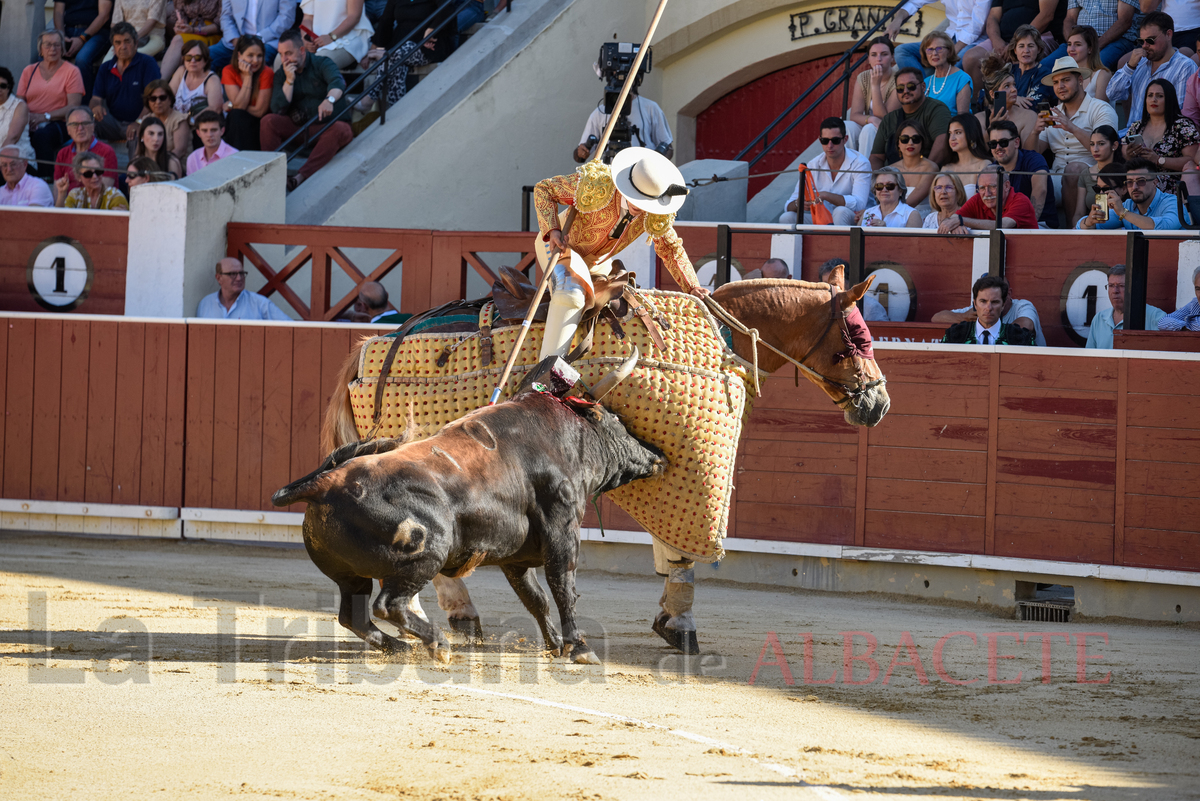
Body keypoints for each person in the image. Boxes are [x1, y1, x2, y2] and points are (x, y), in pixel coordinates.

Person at [533, 146, 703, 363]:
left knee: (625, 300)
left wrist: (692, 286)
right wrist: (553, 229)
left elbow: (670, 249)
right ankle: (545, 374)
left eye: (647, 202)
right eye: (637, 198)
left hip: (598, 263)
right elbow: (544, 189)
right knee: (571, 293)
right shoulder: (596, 183)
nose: (640, 208)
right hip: (562, 248)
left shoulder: (655, 213)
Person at [1026, 55, 1119, 223]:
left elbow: (1108, 149)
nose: (1060, 86)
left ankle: (1072, 229)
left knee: (1074, 169)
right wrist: (1034, 132)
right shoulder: (1053, 114)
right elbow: (1033, 154)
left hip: (1093, 176)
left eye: (1066, 80)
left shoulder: (1100, 109)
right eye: (1056, 82)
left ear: (1080, 80)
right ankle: (1030, 229)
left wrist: (1072, 127)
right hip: (1056, 177)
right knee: (1027, 175)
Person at [261, 29, 353, 191]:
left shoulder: (322, 63)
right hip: (299, 128)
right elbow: (277, 108)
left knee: (341, 129)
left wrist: (328, 100)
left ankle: (300, 177)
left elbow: (338, 83)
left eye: (288, 53)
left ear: (302, 50)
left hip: (326, 127)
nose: (284, 59)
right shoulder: (282, 74)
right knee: (268, 121)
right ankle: (273, 177)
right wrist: (289, 81)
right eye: (281, 54)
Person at [359, 0, 456, 111]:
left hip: (428, 45)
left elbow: (447, 9)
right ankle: (396, 112)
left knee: (391, 57)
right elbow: (386, 21)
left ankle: (370, 97)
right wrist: (377, 47)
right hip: (400, 44)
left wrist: (431, 29)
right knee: (396, 64)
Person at [1107, 11, 1198, 126]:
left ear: (1169, 34)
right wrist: (1129, 67)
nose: (1145, 46)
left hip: (1164, 138)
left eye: (1150, 40)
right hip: (1133, 135)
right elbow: (1113, 95)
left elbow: (1180, 114)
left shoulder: (1185, 67)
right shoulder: (1138, 63)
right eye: (1141, 41)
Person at [18, 31, 86, 178]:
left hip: (59, 121)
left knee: (42, 136)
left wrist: (45, 117)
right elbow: (19, 102)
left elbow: (74, 106)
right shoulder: (29, 71)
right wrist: (26, 117)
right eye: (48, 45)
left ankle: (45, 179)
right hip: (30, 120)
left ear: (62, 48)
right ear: (40, 49)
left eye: (57, 45)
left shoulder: (72, 71)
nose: (53, 49)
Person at [779, 117, 871, 225]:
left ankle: (839, 242)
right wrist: (799, 204)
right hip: (822, 218)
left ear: (845, 139)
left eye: (835, 141)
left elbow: (860, 204)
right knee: (787, 218)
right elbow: (788, 205)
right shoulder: (813, 165)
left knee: (840, 212)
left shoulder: (860, 163)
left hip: (855, 219)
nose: (830, 145)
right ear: (819, 140)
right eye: (825, 141)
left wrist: (826, 195)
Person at [962, 0, 1063, 90]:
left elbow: (1046, 15)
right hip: (1003, 39)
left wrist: (1015, 42)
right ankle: (982, 104)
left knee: (1020, 56)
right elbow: (992, 17)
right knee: (970, 59)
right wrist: (997, 41)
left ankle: (1020, 105)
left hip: (1037, 37)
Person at [1121, 78, 1199, 191]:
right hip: (1137, 186)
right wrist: (1129, 155)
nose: (1154, 99)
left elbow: (1191, 161)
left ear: (1169, 99)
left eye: (1159, 96)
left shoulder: (1182, 125)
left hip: (1170, 188)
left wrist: (1158, 160)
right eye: (1150, 95)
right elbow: (1125, 152)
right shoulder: (1137, 126)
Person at [90, 22, 162, 142]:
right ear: (113, 45)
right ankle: (89, 160)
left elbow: (153, 99)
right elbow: (96, 98)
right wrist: (96, 107)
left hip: (139, 121)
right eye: (118, 42)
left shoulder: (147, 63)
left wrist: (139, 122)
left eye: (127, 41)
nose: (123, 47)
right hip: (112, 122)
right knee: (86, 123)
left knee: (140, 134)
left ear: (136, 43)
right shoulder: (105, 68)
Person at [870, 67, 952, 169]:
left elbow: (942, 144)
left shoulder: (936, 109)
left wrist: (923, 174)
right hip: (894, 181)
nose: (905, 91)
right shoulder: (889, 119)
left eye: (911, 86)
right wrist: (879, 179)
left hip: (928, 177)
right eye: (900, 88)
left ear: (923, 87)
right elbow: (876, 157)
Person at [891, 0, 991, 77]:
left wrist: (953, 50)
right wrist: (897, 20)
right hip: (949, 37)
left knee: (952, 67)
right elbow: (913, 2)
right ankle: (921, 88)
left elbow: (977, 26)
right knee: (901, 51)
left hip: (974, 42)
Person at [1078, 156, 1183, 227]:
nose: (1134, 187)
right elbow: (1081, 226)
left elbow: (1164, 228)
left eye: (1141, 181)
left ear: (1155, 182)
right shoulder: (1127, 206)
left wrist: (1123, 213)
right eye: (1129, 182)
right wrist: (1090, 221)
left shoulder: (1172, 202)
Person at [573, 90, 673, 163]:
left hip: (642, 176)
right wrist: (581, 152)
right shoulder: (599, 112)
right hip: (609, 176)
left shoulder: (651, 108)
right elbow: (579, 157)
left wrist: (654, 163)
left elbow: (668, 148)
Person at [988, 119, 1056, 226]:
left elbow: (1040, 190)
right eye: (993, 144)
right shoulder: (990, 170)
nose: (998, 147)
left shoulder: (1034, 159)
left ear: (1016, 142)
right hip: (1003, 227)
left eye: (1003, 142)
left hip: (1037, 225)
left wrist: (1025, 228)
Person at [1041, 1, 1139, 73]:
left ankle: (1089, 100)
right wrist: (1072, 43)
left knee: (1094, 67)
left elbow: (1124, 21)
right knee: (1044, 66)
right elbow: (1070, 18)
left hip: (1116, 40)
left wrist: (1095, 45)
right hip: (1081, 40)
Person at [940, 275, 1037, 345]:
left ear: (1003, 304)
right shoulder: (953, 335)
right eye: (983, 301)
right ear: (975, 304)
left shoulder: (1022, 338)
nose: (988, 308)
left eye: (995, 302)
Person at [1086, 264, 1166, 347]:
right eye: (1111, 286)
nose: (1115, 291)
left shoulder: (1155, 317)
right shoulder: (1099, 319)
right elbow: (1088, 357)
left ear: (1133, 288)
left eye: (1121, 286)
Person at [845, 37, 900, 155]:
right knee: (846, 126)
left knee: (869, 129)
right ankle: (848, 169)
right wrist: (871, 119)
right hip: (871, 124)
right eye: (874, 55)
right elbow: (854, 115)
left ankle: (865, 172)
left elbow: (885, 119)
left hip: (890, 130)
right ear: (868, 59)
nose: (878, 59)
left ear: (892, 57)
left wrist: (875, 85)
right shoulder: (863, 77)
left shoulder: (898, 79)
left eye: (884, 54)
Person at [943, 163, 1040, 229]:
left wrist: (961, 221)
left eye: (992, 187)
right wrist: (956, 226)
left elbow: (1002, 225)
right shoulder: (977, 199)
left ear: (1006, 186)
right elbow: (953, 219)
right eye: (982, 188)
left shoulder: (1021, 201)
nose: (987, 193)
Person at [210, 0, 297, 73]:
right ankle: (213, 92)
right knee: (205, 58)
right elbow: (226, 16)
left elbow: (286, 18)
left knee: (255, 64)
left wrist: (258, 39)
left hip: (267, 41)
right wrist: (235, 40)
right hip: (235, 41)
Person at [220, 36, 274, 150]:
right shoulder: (229, 71)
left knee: (236, 114)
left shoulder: (266, 73)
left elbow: (259, 111)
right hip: (238, 122)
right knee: (236, 115)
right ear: (239, 55)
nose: (255, 60)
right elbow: (239, 107)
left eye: (259, 56)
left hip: (258, 124)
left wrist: (231, 105)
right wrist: (248, 77)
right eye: (250, 55)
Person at [975, 55, 1041, 144]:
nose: (1014, 89)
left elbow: (1030, 154)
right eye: (1007, 86)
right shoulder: (980, 119)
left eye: (1014, 84)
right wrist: (991, 129)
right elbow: (976, 152)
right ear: (992, 94)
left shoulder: (1028, 116)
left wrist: (1035, 132)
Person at [54, 0, 113, 96]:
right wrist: (61, 36)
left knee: (82, 59)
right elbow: (58, 12)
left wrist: (82, 38)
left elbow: (104, 15)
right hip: (68, 30)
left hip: (97, 32)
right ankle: (53, 102)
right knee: (48, 54)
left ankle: (84, 105)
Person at [197, 258, 291, 319]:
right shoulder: (205, 304)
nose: (239, 278)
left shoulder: (260, 304)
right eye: (232, 274)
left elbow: (291, 327)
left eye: (241, 273)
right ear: (219, 278)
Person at [54, 106, 118, 191]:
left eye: (85, 123)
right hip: (69, 203)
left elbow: (102, 191)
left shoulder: (106, 151)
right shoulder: (62, 154)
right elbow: (57, 192)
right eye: (74, 124)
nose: (80, 128)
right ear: (68, 130)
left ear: (93, 127)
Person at [300, 0, 374, 71]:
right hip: (319, 42)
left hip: (349, 40)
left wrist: (331, 37)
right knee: (295, 61)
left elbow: (354, 17)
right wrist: (306, 39)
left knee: (317, 65)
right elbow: (307, 18)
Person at [160, 0, 223, 80]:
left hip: (211, 33)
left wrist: (194, 30)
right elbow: (182, 16)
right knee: (178, 40)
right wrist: (180, 25)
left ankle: (161, 82)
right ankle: (166, 83)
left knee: (178, 40)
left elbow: (219, 26)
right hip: (189, 29)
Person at [169, 40, 223, 133]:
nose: (192, 61)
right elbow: (168, 96)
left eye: (198, 57)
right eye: (188, 57)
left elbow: (215, 108)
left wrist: (191, 121)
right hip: (176, 124)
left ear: (205, 61)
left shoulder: (212, 79)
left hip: (199, 127)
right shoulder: (181, 71)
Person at [133, 79, 191, 164]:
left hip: (174, 167)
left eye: (162, 98)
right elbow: (139, 151)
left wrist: (156, 166)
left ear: (170, 99)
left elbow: (179, 151)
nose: (158, 102)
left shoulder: (180, 119)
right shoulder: (146, 120)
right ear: (148, 101)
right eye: (153, 98)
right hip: (149, 168)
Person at [889, 119, 940, 211]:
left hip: (922, 218)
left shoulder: (930, 168)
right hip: (894, 216)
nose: (910, 143)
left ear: (922, 142)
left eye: (915, 139)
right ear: (898, 143)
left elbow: (912, 202)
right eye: (904, 139)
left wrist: (887, 211)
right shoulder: (891, 169)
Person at [819, 257, 889, 321]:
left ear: (848, 281)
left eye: (834, 283)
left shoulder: (871, 307)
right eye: (825, 283)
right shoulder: (822, 307)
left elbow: (880, 333)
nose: (829, 287)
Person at [55, 150, 129, 209]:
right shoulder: (75, 195)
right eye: (88, 174)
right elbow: (60, 219)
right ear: (78, 177)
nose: (94, 176)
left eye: (98, 172)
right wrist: (62, 193)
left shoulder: (115, 195)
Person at [922, 31, 975, 113]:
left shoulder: (961, 79)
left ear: (949, 52)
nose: (934, 53)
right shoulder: (926, 82)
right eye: (930, 49)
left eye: (939, 49)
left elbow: (963, 118)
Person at [1006, 24, 1056, 104]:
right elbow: (988, 94)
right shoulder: (1007, 71)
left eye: (1031, 46)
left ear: (1039, 49)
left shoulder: (1045, 74)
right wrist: (1016, 99)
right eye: (1021, 46)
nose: (1026, 50)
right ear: (1015, 50)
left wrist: (1010, 99)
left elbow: (1032, 104)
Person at [1079, 123, 1124, 213]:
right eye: (1092, 144)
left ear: (1114, 145)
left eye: (1101, 144)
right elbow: (1078, 213)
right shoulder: (1085, 174)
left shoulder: (1124, 172)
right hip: (1091, 224)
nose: (1095, 149)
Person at [945, 113, 992, 197]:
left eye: (958, 132)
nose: (952, 138)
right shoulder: (946, 168)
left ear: (972, 134)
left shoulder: (984, 165)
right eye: (950, 133)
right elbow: (936, 206)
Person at [103, 0, 167, 61]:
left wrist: (131, 40)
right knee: (107, 62)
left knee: (128, 57)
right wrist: (117, 43)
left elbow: (151, 22)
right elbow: (115, 24)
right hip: (125, 37)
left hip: (153, 36)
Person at [1064, 24, 1116, 99]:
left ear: (1090, 49)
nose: (1071, 49)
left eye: (1077, 44)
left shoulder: (1102, 75)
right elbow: (1061, 108)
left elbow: (1101, 109)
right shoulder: (1065, 74)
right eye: (1069, 44)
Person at [186, 109, 238, 174]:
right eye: (204, 131)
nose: (209, 135)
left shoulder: (234, 156)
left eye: (214, 130)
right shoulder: (193, 158)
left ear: (222, 131)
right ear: (198, 133)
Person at [0, 68, 33, 160]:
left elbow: (12, 138)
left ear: (9, 88)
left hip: (19, 162)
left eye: (3, 86)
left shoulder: (20, 106)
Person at [1157, 265, 1200, 331]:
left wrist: (1187, 323)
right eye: (1198, 289)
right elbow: (1163, 322)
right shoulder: (1195, 303)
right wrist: (1184, 327)